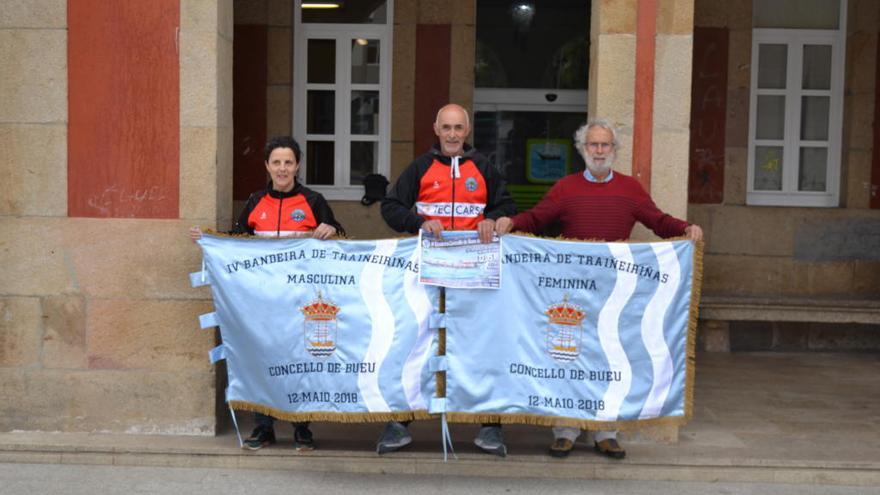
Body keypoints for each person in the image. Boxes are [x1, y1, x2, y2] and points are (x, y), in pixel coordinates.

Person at [494, 118, 703, 460]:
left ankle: (606, 431)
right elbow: (537, 217)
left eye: (606, 145)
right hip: (573, 289)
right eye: (594, 145)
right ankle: (565, 430)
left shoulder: (630, 189)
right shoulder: (565, 187)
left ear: (614, 151)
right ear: (582, 150)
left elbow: (658, 221)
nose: (600, 151)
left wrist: (686, 228)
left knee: (609, 356)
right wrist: (512, 222)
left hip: (614, 293)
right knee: (569, 358)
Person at [190, 135, 344, 451]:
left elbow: (339, 239)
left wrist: (333, 230)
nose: (283, 168)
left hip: (300, 301)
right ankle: (264, 427)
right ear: (267, 166)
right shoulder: (256, 201)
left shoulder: (314, 201)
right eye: (277, 162)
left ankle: (302, 427)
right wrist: (209, 241)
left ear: (297, 165)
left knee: (300, 362)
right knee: (262, 360)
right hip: (261, 303)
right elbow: (235, 244)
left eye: (288, 162)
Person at [379, 103, 517, 456]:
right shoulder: (421, 167)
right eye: (447, 128)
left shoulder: (484, 167)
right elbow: (391, 206)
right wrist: (418, 223)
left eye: (459, 128)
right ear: (436, 130)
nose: (453, 134)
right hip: (429, 273)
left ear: (467, 132)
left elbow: (507, 207)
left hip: (475, 274)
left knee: (479, 345)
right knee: (418, 341)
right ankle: (401, 422)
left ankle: (491, 426)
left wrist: (494, 218)